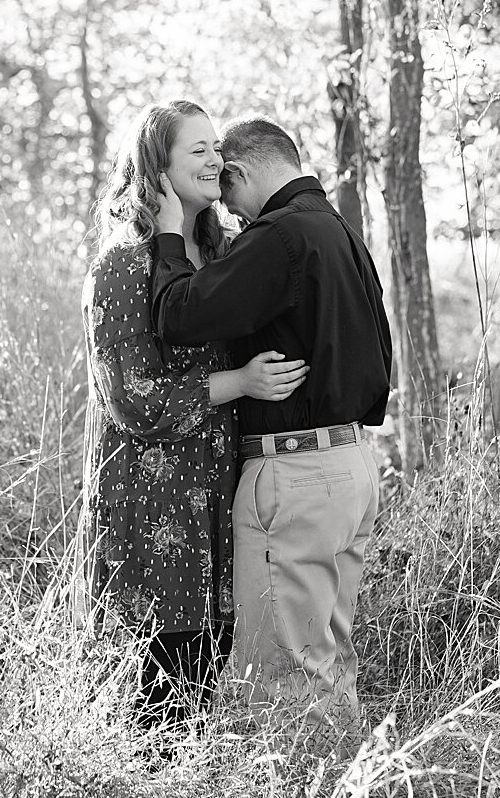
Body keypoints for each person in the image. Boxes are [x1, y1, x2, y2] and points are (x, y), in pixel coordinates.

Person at [149, 115, 392, 734]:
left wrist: (172, 237)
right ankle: (346, 775)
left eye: (227, 190)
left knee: (282, 674)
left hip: (297, 476)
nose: (228, 211)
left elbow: (178, 314)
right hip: (352, 468)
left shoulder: (279, 237)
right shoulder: (340, 234)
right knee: (326, 663)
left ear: (243, 171)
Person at [82, 100, 310, 730]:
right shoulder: (123, 267)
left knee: (200, 704)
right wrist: (240, 382)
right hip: (152, 520)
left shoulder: (223, 259)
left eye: (218, 148)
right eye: (198, 150)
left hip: (217, 510)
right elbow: (134, 401)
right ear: (157, 168)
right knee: (150, 706)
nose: (217, 160)